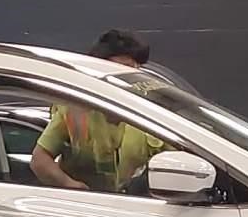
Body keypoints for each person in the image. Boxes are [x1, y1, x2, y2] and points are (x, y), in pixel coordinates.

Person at [30, 29, 167, 192]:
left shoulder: (151, 112)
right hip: (90, 207)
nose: (130, 78)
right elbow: (40, 161)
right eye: (123, 69)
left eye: (136, 70)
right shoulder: (73, 109)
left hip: (138, 205)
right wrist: (70, 185)